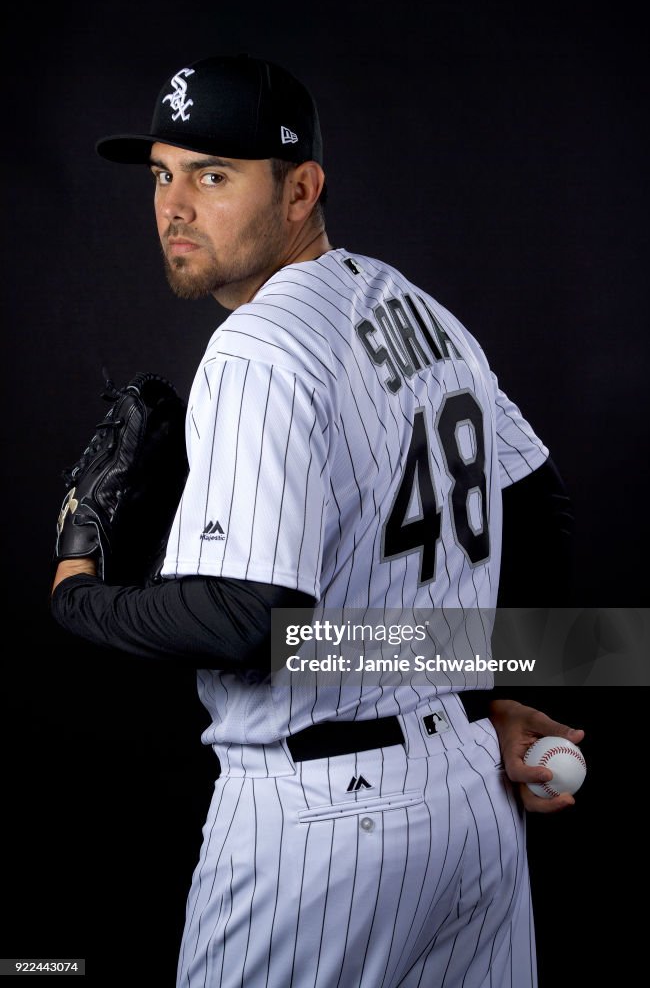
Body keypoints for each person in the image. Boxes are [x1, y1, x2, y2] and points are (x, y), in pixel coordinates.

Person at [51, 53, 583, 988]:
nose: (174, 206)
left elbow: (249, 620)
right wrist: (488, 699)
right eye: (162, 175)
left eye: (213, 176)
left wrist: (79, 591)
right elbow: (532, 504)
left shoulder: (258, 345)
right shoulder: (415, 308)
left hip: (321, 824)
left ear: (301, 190)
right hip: (470, 803)